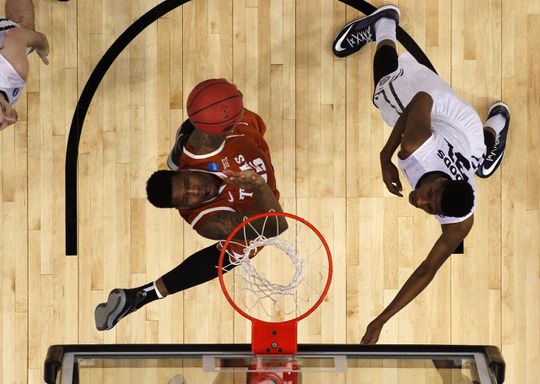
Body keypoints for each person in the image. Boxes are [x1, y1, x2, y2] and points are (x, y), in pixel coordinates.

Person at [332, 5, 510, 344]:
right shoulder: (417, 146)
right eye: (430, 194)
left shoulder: (460, 220)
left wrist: (381, 320)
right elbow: (420, 101)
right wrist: (385, 156)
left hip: (467, 140)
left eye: (430, 207)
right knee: (386, 96)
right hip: (439, 107)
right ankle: (384, 25)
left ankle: (497, 124)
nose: (421, 200)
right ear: (441, 177)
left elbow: (428, 269)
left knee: (477, 159)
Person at [95, 79, 287, 331]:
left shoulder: (202, 148)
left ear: (187, 170)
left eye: (187, 183)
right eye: (187, 198)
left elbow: (211, 108)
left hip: (244, 132)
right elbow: (276, 225)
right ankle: (143, 295)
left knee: (201, 122)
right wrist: (258, 186)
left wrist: (224, 98)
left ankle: (178, 150)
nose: (194, 190)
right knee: (236, 251)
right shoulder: (209, 221)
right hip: (260, 197)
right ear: (184, 207)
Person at [0, 0, 49, 130]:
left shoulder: (13, 66)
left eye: (4, 109)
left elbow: (20, 35)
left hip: (10, 42)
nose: (13, 119)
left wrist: (42, 44)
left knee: (24, 27)